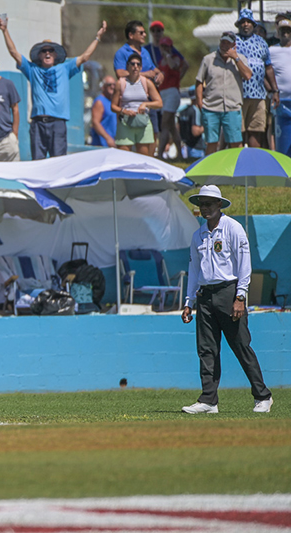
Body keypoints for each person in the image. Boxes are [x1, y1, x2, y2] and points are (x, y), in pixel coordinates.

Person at [181, 185, 273, 415]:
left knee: (241, 345)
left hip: (229, 293)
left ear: (219, 204)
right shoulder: (198, 235)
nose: (205, 208)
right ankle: (209, 400)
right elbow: (194, 270)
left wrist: (240, 296)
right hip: (205, 296)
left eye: (209, 203)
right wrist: (188, 301)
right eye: (201, 204)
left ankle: (263, 396)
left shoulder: (233, 228)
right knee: (206, 350)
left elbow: (244, 265)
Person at [0, 17, 106, 159]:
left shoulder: (65, 68)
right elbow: (14, 53)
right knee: (38, 162)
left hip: (57, 124)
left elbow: (85, 57)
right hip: (38, 124)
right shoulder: (32, 70)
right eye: (44, 51)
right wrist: (5, 31)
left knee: (58, 162)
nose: (47, 53)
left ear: (55, 55)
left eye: (50, 50)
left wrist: (97, 37)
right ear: (39, 55)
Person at [196, 32, 252, 155]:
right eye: (223, 42)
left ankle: (237, 170)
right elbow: (199, 81)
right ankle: (210, 171)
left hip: (232, 107)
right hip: (211, 107)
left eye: (228, 43)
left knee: (236, 142)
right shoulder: (208, 59)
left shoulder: (240, 59)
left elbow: (248, 75)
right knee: (211, 142)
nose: (224, 46)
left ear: (233, 45)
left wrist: (235, 58)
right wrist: (200, 102)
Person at [235, 8, 279, 148]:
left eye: (249, 22)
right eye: (243, 22)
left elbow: (268, 67)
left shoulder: (262, 43)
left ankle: (254, 164)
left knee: (256, 131)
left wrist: (275, 90)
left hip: (259, 95)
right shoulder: (233, 41)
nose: (246, 24)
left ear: (253, 25)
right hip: (238, 94)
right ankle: (238, 166)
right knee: (238, 132)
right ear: (239, 24)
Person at [110, 53, 163, 155]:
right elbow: (113, 106)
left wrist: (146, 104)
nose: (135, 67)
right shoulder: (121, 83)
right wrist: (123, 111)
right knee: (124, 156)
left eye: (138, 64)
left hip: (142, 121)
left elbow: (159, 103)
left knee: (144, 158)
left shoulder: (146, 82)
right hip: (125, 122)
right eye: (132, 64)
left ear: (141, 67)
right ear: (127, 66)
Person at [156, 36, 188, 159]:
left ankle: (160, 154)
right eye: (162, 46)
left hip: (171, 93)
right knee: (171, 126)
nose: (163, 49)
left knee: (164, 124)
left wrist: (168, 55)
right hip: (163, 93)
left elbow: (175, 66)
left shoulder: (174, 58)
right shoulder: (160, 62)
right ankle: (180, 153)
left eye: (166, 46)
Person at [271, 19, 291, 157]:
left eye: (288, 30)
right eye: (283, 30)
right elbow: (265, 73)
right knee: (282, 141)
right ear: (278, 32)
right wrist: (273, 91)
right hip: (282, 102)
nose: (285, 33)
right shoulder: (272, 50)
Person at [178, 87, 206, 159]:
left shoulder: (183, 109)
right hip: (197, 148)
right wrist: (207, 126)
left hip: (186, 146)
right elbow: (195, 131)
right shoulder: (195, 110)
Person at [90, 75, 117, 147]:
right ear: (103, 87)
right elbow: (95, 123)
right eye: (109, 85)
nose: (112, 87)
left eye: (114, 84)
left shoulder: (113, 101)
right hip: (102, 144)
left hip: (113, 144)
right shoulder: (100, 102)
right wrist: (108, 138)